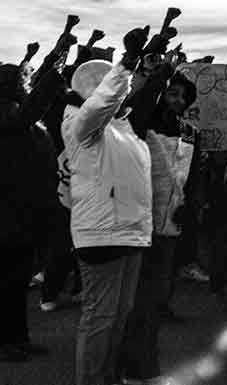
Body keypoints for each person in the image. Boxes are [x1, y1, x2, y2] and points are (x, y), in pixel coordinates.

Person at [64, 27, 156, 385]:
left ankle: (107, 376)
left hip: (130, 231)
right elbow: (102, 104)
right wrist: (127, 63)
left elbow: (130, 99)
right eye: (113, 81)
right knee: (100, 317)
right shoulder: (80, 122)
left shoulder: (123, 124)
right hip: (101, 233)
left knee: (120, 315)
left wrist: (150, 66)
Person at [120, 55, 199, 383]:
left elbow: (194, 177)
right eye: (171, 93)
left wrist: (191, 206)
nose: (177, 100)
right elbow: (139, 102)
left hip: (170, 228)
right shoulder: (143, 125)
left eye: (182, 96)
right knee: (133, 302)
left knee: (153, 301)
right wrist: (163, 68)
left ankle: (145, 366)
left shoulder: (192, 132)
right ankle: (127, 366)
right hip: (138, 223)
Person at [0, 31, 75, 362]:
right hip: (7, 215)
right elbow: (40, 96)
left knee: (16, 283)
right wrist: (59, 55)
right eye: (20, 79)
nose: (25, 82)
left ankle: (19, 338)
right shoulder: (7, 115)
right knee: (5, 283)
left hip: (25, 214)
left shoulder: (20, 114)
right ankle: (5, 343)